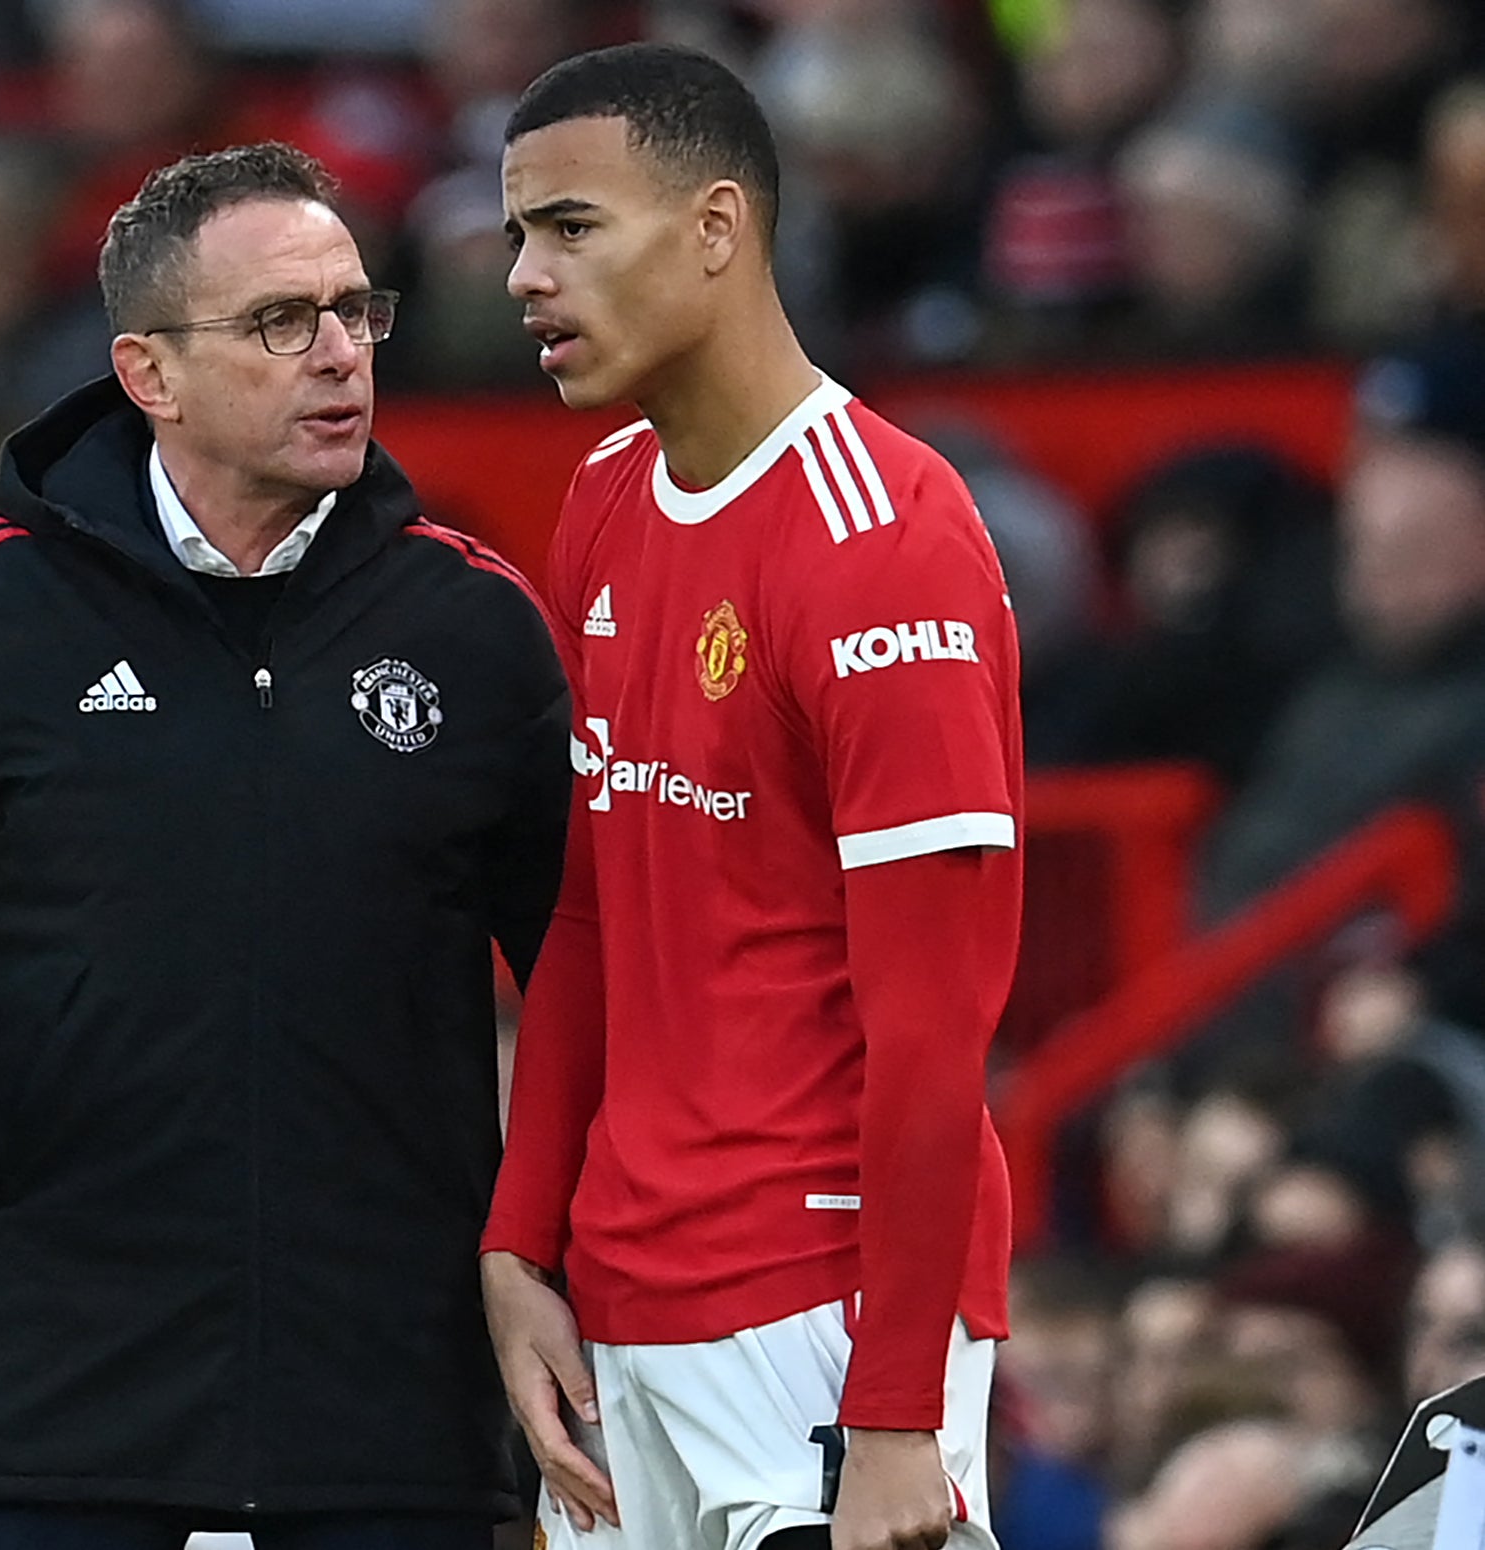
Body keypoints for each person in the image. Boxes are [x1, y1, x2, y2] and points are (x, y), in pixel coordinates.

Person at [0, 141, 571, 1549]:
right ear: (148, 372)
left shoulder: (475, 624)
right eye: (284, 321)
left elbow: (596, 978)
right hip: (56, 1418)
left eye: (356, 309)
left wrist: (547, 1252)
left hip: (391, 1421)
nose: (340, 354)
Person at [482, 44, 1022, 1550]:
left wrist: (901, 1416)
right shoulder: (601, 500)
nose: (527, 274)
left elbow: (936, 1022)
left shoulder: (887, 540)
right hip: (623, 1294)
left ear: (717, 228)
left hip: (822, 1315)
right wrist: (523, 1242)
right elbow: (586, 911)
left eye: (572, 227)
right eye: (517, 232)